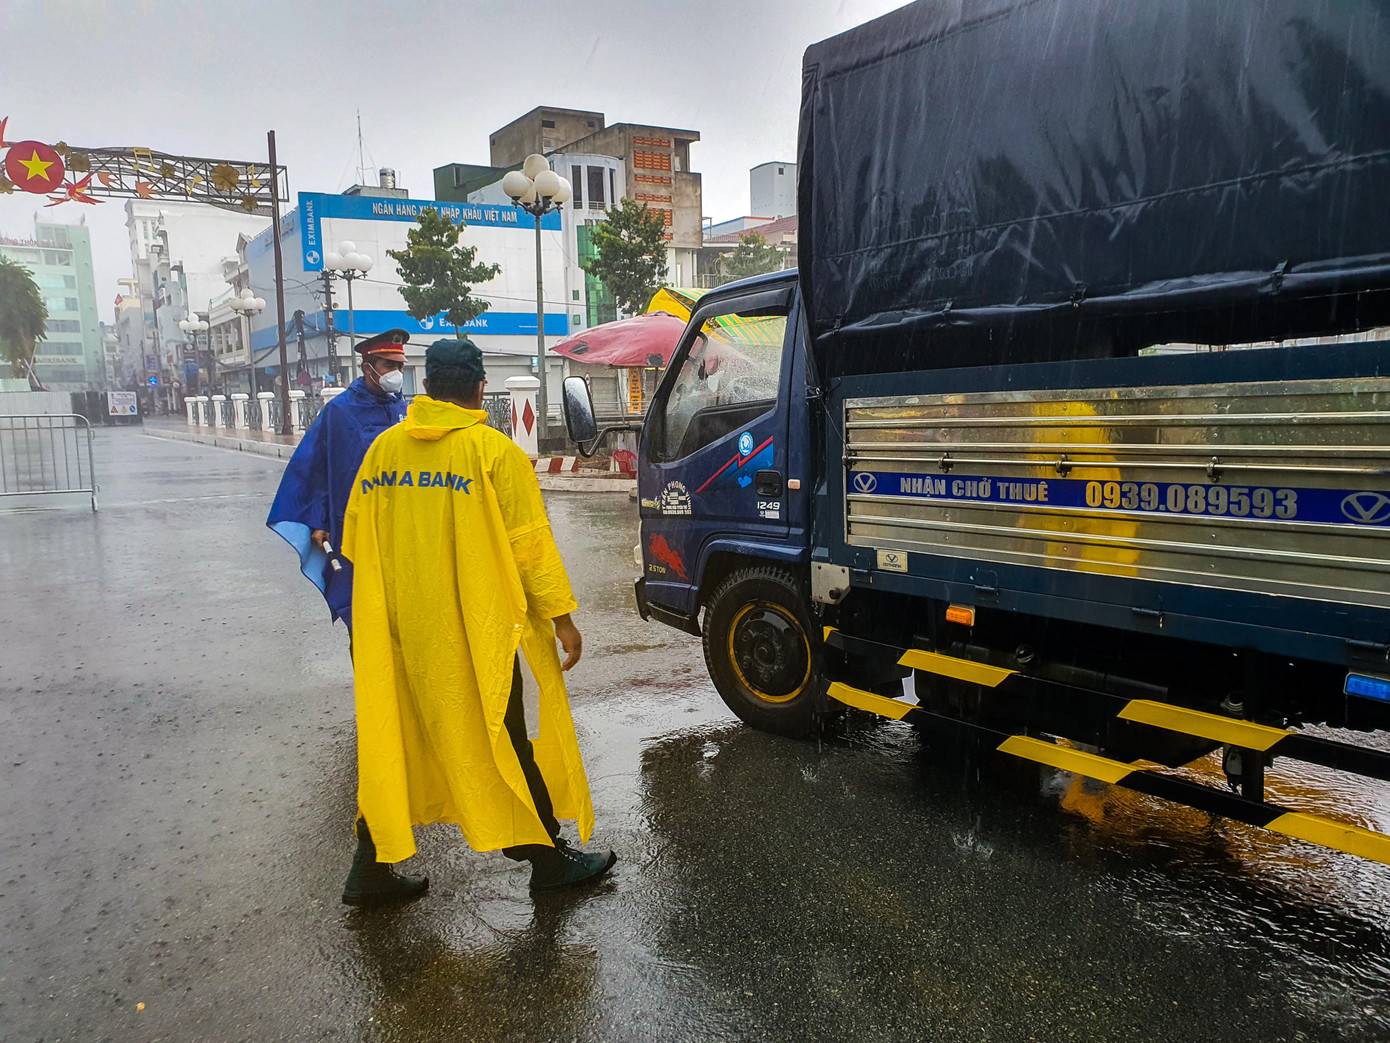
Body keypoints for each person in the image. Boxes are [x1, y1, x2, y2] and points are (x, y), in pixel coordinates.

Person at [340, 338, 615, 904]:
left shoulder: (382, 454)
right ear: (481, 389)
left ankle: (370, 866)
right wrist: (561, 620)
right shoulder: (495, 454)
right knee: (503, 736)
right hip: (474, 633)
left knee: (397, 740)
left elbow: (354, 540)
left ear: (425, 386)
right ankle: (546, 856)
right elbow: (529, 547)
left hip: (400, 635)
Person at [266, 330, 411, 631]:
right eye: (388, 365)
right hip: (354, 526)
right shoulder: (339, 412)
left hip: (400, 527)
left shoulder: (403, 409)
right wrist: (319, 521)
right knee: (362, 611)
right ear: (367, 366)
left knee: (403, 610)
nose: (396, 373)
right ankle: (367, 673)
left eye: (400, 366)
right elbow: (314, 468)